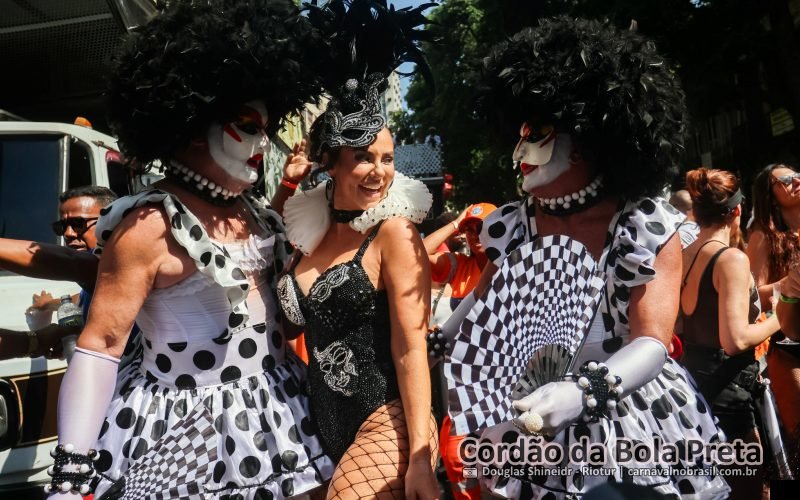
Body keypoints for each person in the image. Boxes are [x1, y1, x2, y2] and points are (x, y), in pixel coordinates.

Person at [46, 1, 334, 498]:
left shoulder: (257, 215)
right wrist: (70, 478)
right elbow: (101, 346)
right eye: (247, 123)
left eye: (266, 126)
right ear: (191, 124)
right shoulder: (149, 225)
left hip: (282, 413)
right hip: (184, 429)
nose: (262, 142)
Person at [439, 17, 730, 498]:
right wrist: (438, 339)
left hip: (629, 417)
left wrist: (586, 391)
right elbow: (483, 300)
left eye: (539, 133)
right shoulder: (514, 226)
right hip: (529, 416)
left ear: (589, 141)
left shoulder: (645, 225)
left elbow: (653, 343)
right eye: (520, 132)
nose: (520, 150)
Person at [276, 1, 439, 497]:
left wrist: (420, 459)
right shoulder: (307, 232)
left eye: (387, 158)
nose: (380, 171)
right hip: (314, 423)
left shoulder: (394, 233)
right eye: (364, 157)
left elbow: (411, 347)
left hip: (387, 422)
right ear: (330, 162)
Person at [679, 168, 778, 499]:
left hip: (691, 389)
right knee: (748, 491)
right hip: (728, 394)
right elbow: (734, 340)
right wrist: (780, 318)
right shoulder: (730, 259)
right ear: (737, 210)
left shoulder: (682, 254)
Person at [423, 202, 496, 500]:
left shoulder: (515, 267)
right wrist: (455, 223)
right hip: (455, 380)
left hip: (500, 379)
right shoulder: (456, 266)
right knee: (457, 455)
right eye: (470, 228)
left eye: (481, 227)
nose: (474, 233)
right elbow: (417, 253)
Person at [0, 185, 117, 358]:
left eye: (78, 224)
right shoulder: (91, 282)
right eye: (62, 227)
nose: (68, 234)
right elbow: (83, 297)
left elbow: (73, 262)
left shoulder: (117, 264)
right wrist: (48, 304)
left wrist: (34, 342)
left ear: (112, 223)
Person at [746, 163, 800, 455]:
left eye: (797, 175)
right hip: (789, 346)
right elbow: (750, 296)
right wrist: (790, 284)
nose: (796, 181)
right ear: (770, 195)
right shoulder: (763, 237)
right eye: (787, 180)